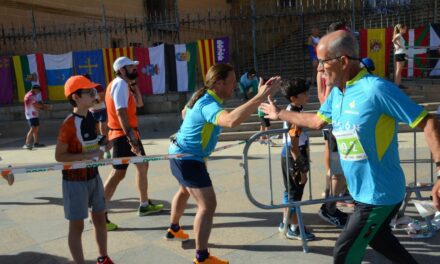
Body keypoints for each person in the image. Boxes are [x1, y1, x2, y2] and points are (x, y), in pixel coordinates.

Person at [261, 30, 440, 263]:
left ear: (343, 61)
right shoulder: (338, 94)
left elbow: (428, 121)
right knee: (379, 239)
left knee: (344, 254)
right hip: (361, 193)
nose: (319, 69)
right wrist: (279, 113)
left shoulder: (375, 89)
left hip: (379, 194)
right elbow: (316, 121)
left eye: (323, 62)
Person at [166, 64, 281, 264]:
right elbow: (229, 121)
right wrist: (259, 97)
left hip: (181, 154)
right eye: (232, 82)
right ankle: (201, 257)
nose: (235, 86)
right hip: (188, 159)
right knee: (207, 205)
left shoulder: (202, 96)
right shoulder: (208, 104)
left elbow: (185, 112)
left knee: (184, 191)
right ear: (219, 83)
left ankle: (173, 229)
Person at [55, 75, 113, 264]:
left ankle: (103, 258)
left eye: (93, 91)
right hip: (74, 181)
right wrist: (83, 157)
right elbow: (59, 156)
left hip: (93, 176)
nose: (94, 95)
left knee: (100, 219)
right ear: (76, 97)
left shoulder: (91, 117)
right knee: (77, 226)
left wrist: (103, 147)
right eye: (89, 92)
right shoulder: (68, 124)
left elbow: (94, 146)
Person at [104, 56, 163, 231]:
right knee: (117, 174)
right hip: (123, 135)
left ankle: (144, 205)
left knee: (142, 166)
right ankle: (99, 213)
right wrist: (131, 139)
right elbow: (121, 112)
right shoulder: (119, 85)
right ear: (122, 70)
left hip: (129, 133)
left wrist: (135, 86)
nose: (135, 70)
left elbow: (140, 103)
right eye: (131, 67)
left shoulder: (125, 85)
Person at [278, 78, 315, 241]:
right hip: (294, 155)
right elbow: (294, 145)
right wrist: (302, 169)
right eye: (304, 94)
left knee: (290, 192)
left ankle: (285, 222)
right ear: (293, 98)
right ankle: (294, 227)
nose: (308, 96)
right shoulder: (295, 116)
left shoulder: (293, 109)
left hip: (290, 154)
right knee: (295, 195)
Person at [83, 74, 111, 159]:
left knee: (103, 130)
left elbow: (102, 98)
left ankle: (107, 151)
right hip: (92, 112)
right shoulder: (83, 90)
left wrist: (93, 102)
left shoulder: (97, 86)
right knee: (96, 132)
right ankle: (99, 151)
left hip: (101, 110)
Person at [23, 84, 51, 150]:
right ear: (34, 89)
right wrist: (46, 107)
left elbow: (37, 103)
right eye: (38, 90)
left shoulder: (33, 95)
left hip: (34, 114)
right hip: (30, 114)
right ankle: (26, 144)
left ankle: (36, 143)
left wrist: (43, 106)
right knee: (33, 128)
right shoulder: (29, 96)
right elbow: (36, 105)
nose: (39, 92)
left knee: (36, 128)